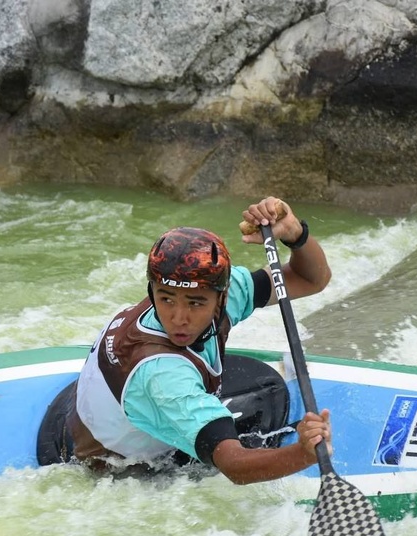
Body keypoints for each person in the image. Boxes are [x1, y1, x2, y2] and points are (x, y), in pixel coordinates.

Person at [37, 196, 333, 484]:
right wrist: (302, 454)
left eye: (195, 303)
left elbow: (310, 279)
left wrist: (296, 234)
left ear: (222, 296)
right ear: (153, 291)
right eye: (166, 299)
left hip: (112, 415)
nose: (179, 317)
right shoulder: (164, 377)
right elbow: (234, 466)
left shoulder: (222, 293)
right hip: (115, 469)